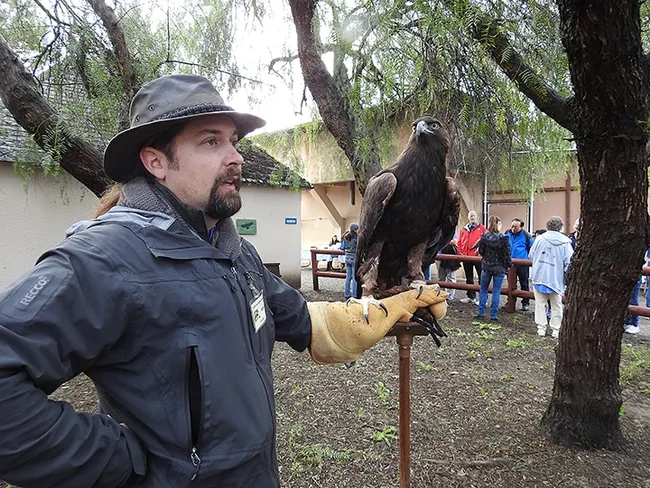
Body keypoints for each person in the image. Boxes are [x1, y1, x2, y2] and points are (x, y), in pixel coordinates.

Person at [0, 74, 449, 487]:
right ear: (156, 161)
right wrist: (118, 459)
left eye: (233, 141)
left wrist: (390, 307)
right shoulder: (104, 259)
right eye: (211, 141)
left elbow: (308, 321)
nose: (236, 157)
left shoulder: (236, 254)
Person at [529, 216, 574, 338]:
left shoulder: (539, 239)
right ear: (561, 227)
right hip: (556, 277)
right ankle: (556, 329)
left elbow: (531, 255)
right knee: (556, 304)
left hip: (539, 275)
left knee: (540, 303)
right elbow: (570, 261)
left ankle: (541, 328)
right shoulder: (565, 243)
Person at [476, 215, 512, 321]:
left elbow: (481, 251)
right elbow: (507, 254)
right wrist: (508, 265)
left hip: (486, 266)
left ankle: (481, 312)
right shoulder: (504, 238)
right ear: (499, 224)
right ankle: (493, 315)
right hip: (499, 267)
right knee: (496, 291)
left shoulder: (484, 237)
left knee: (483, 290)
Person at [458, 210, 487, 305]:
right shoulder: (464, 229)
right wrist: (461, 252)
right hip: (466, 257)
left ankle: (482, 298)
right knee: (469, 277)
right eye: (471, 216)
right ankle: (471, 296)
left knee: (481, 277)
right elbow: (459, 242)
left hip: (478, 257)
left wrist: (480, 253)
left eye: (474, 215)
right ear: (468, 217)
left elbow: (485, 242)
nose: (472, 217)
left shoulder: (482, 229)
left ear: (477, 216)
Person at [505, 218, 533, 311]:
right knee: (510, 283)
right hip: (510, 263)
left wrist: (527, 259)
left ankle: (525, 303)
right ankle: (510, 301)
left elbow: (532, 248)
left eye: (516, 227)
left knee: (524, 283)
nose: (513, 228)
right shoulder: (507, 233)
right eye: (512, 226)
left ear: (521, 227)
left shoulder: (526, 235)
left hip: (522, 263)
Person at [437, 236, 461, 300]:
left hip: (450, 259)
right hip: (439, 256)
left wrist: (444, 240)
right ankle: (442, 293)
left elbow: (455, 242)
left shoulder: (452, 233)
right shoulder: (439, 232)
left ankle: (451, 294)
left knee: (451, 277)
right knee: (441, 277)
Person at [340, 223, 359, 299]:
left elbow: (342, 248)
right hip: (354, 259)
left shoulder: (346, 238)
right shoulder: (356, 239)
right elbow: (359, 248)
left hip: (347, 258)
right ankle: (354, 295)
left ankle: (347, 294)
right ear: (355, 230)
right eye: (357, 229)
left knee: (348, 277)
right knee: (354, 278)